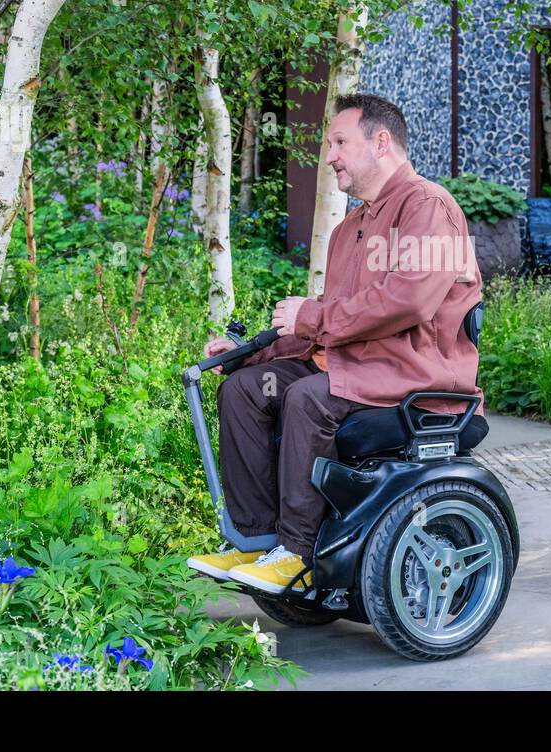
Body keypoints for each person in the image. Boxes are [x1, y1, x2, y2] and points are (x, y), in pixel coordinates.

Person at [187, 93, 484, 595]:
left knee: (307, 399)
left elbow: (409, 300)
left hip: (414, 377)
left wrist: (315, 314)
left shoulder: (427, 207)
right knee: (245, 389)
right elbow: (330, 325)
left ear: (381, 142)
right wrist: (250, 355)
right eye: (331, 144)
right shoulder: (351, 227)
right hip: (356, 370)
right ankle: (258, 538)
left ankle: (298, 553)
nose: (330, 156)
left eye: (340, 142)